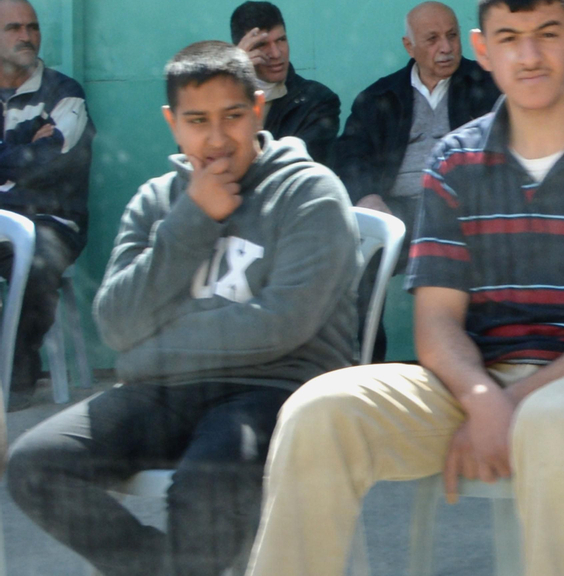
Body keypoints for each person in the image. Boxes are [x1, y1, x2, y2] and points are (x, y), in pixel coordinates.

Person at [245, 0, 564, 576]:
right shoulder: (454, 161)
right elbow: (436, 321)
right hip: (470, 388)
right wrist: (483, 395)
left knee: (554, 421)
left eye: (548, 33)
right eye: (509, 38)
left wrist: (514, 399)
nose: (530, 55)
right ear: (483, 50)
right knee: (319, 409)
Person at [7, 41, 358, 576]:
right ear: (173, 123)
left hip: (274, 388)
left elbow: (280, 324)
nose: (216, 138)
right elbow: (116, 321)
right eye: (197, 121)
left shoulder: (309, 192)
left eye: (233, 116)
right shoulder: (157, 200)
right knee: (35, 465)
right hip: (166, 392)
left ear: (258, 109)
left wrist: (150, 351)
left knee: (208, 482)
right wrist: (191, 219)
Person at [0, 0, 94, 407]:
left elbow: (52, 163)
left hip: (52, 221)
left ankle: (17, 376)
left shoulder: (64, 93)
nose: (27, 36)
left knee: (35, 257)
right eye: (14, 28)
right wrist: (22, 146)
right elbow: (32, 158)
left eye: (32, 27)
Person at [332, 1, 500, 227]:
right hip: (397, 212)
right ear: (409, 46)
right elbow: (351, 154)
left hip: (469, 209)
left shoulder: (488, 85)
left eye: (452, 35)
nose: (446, 48)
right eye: (433, 39)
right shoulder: (380, 97)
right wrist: (367, 196)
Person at [230, 1, 340, 163]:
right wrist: (234, 83)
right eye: (261, 44)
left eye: (281, 40)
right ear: (242, 49)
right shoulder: (221, 98)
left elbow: (299, 168)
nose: (276, 53)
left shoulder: (318, 101)